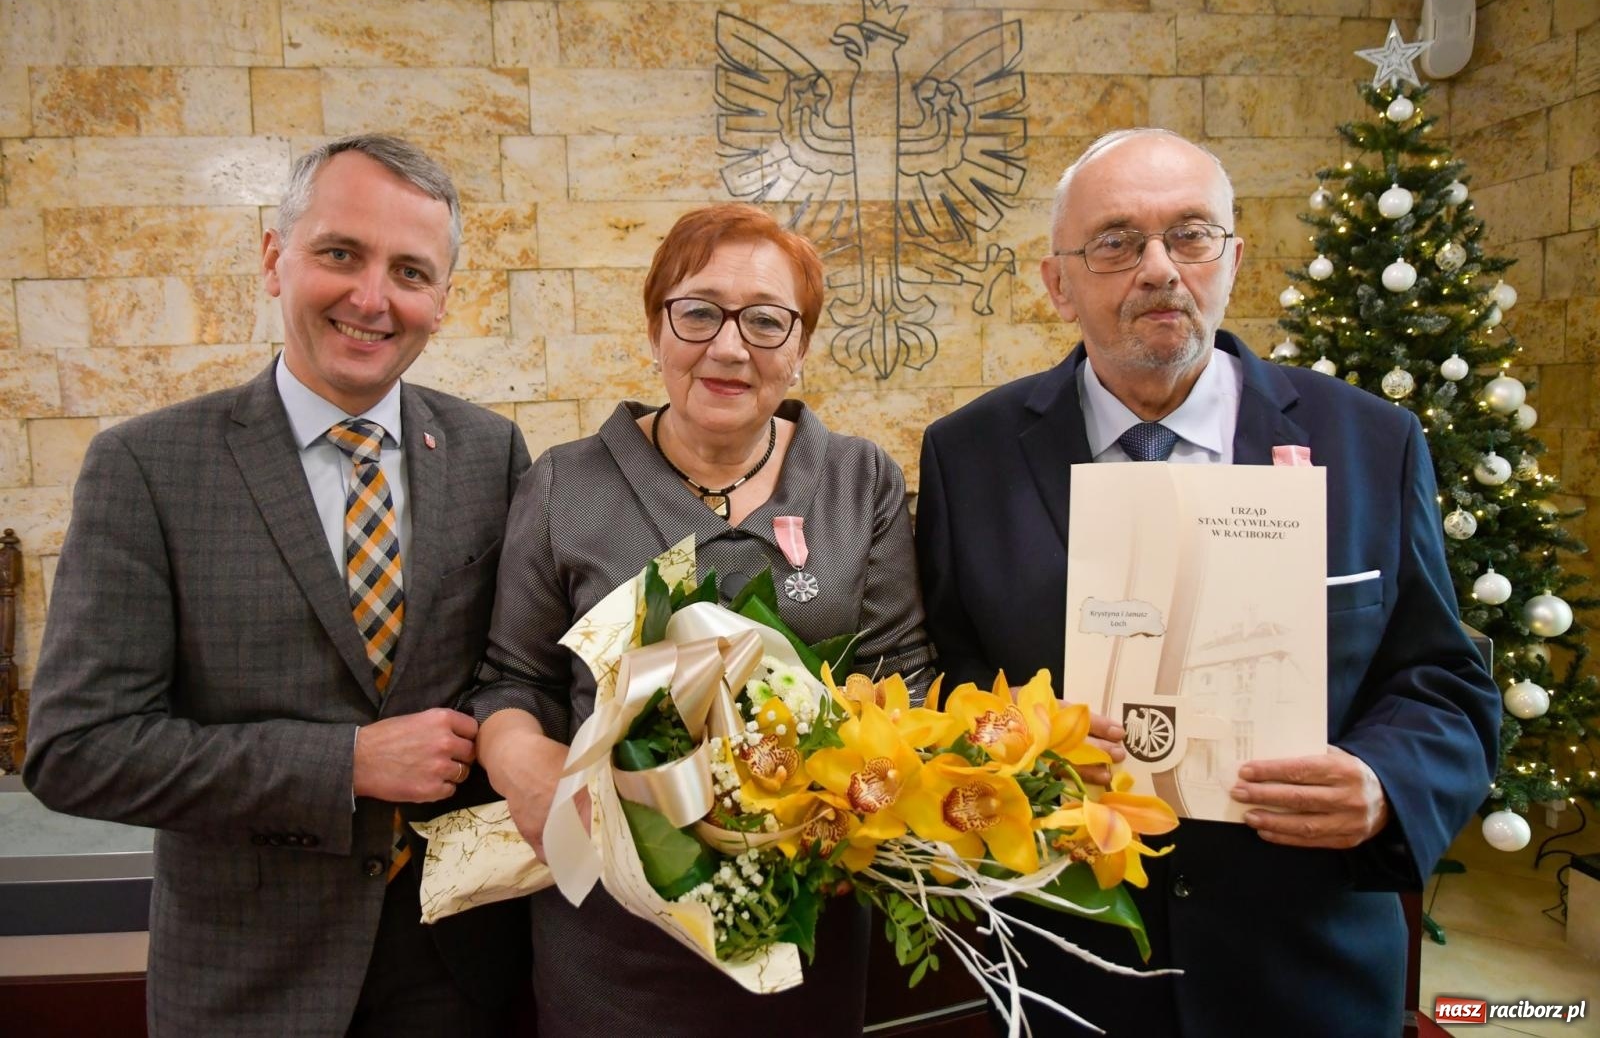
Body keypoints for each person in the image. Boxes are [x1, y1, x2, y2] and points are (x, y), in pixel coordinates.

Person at [913, 128, 1500, 1037]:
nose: (1159, 268)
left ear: (1232, 258)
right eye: (1115, 241)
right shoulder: (967, 454)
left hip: (1308, 968)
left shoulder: (1372, 441)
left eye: (1190, 235)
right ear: (1057, 283)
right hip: (1073, 967)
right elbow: (945, 678)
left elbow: (1445, 684)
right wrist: (1023, 745)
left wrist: (1382, 782)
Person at [23, 134, 533, 1037]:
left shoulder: (490, 454)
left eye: (410, 272)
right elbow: (77, 748)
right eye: (341, 254)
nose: (372, 298)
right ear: (274, 259)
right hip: (249, 987)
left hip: (460, 974)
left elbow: (511, 668)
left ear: (443, 301)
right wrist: (343, 765)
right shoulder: (147, 468)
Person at [465, 203, 935, 1037]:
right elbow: (512, 679)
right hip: (612, 943)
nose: (728, 347)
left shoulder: (858, 478)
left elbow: (903, 672)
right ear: (655, 328)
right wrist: (521, 762)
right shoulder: (564, 487)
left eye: (764, 321)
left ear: (801, 346)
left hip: (806, 927)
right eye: (698, 312)